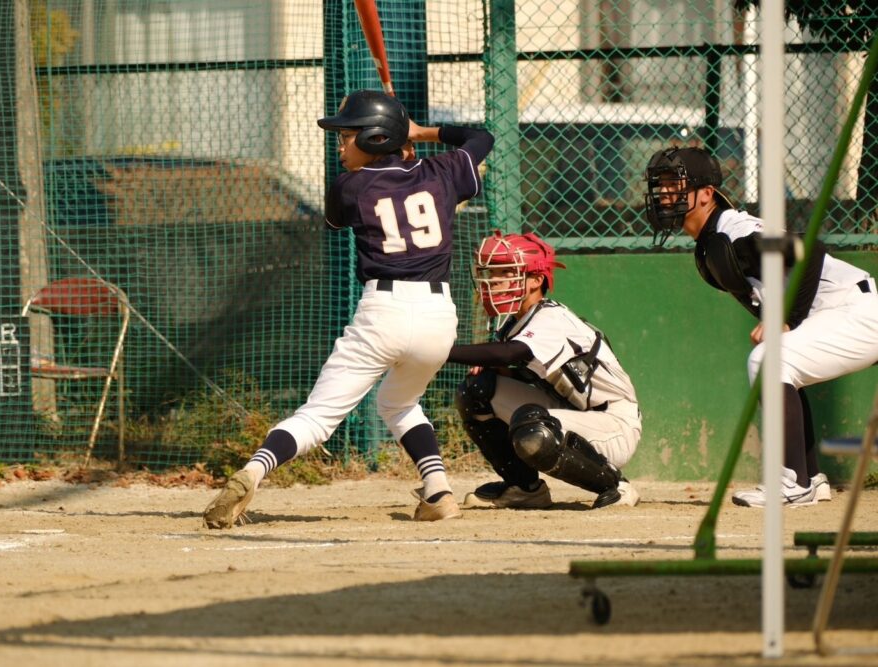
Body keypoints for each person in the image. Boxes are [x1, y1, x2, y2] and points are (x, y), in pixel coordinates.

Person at [203, 89, 494, 529]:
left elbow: (340, 217)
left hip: (385, 311)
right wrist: (423, 133)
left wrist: (403, 139)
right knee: (398, 403)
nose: (340, 146)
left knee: (319, 417)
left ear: (377, 138)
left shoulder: (351, 186)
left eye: (348, 136)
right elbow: (481, 137)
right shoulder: (444, 171)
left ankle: (253, 471)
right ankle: (438, 492)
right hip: (439, 317)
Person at [643, 146, 878, 507]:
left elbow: (808, 249)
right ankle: (809, 478)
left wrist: (785, 319)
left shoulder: (735, 234)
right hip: (843, 311)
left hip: (856, 309)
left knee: (769, 361)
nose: (665, 194)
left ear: (706, 195)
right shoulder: (711, 245)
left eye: (675, 184)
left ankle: (791, 482)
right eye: (661, 186)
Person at [446, 230, 643, 510]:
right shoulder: (515, 324)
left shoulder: (551, 317)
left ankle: (615, 485)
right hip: (570, 410)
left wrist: (443, 351)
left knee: (533, 426)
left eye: (505, 272)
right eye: (492, 273)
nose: (493, 280)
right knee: (477, 390)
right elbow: (515, 366)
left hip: (613, 423)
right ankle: (524, 488)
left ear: (536, 280)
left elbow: (514, 353)